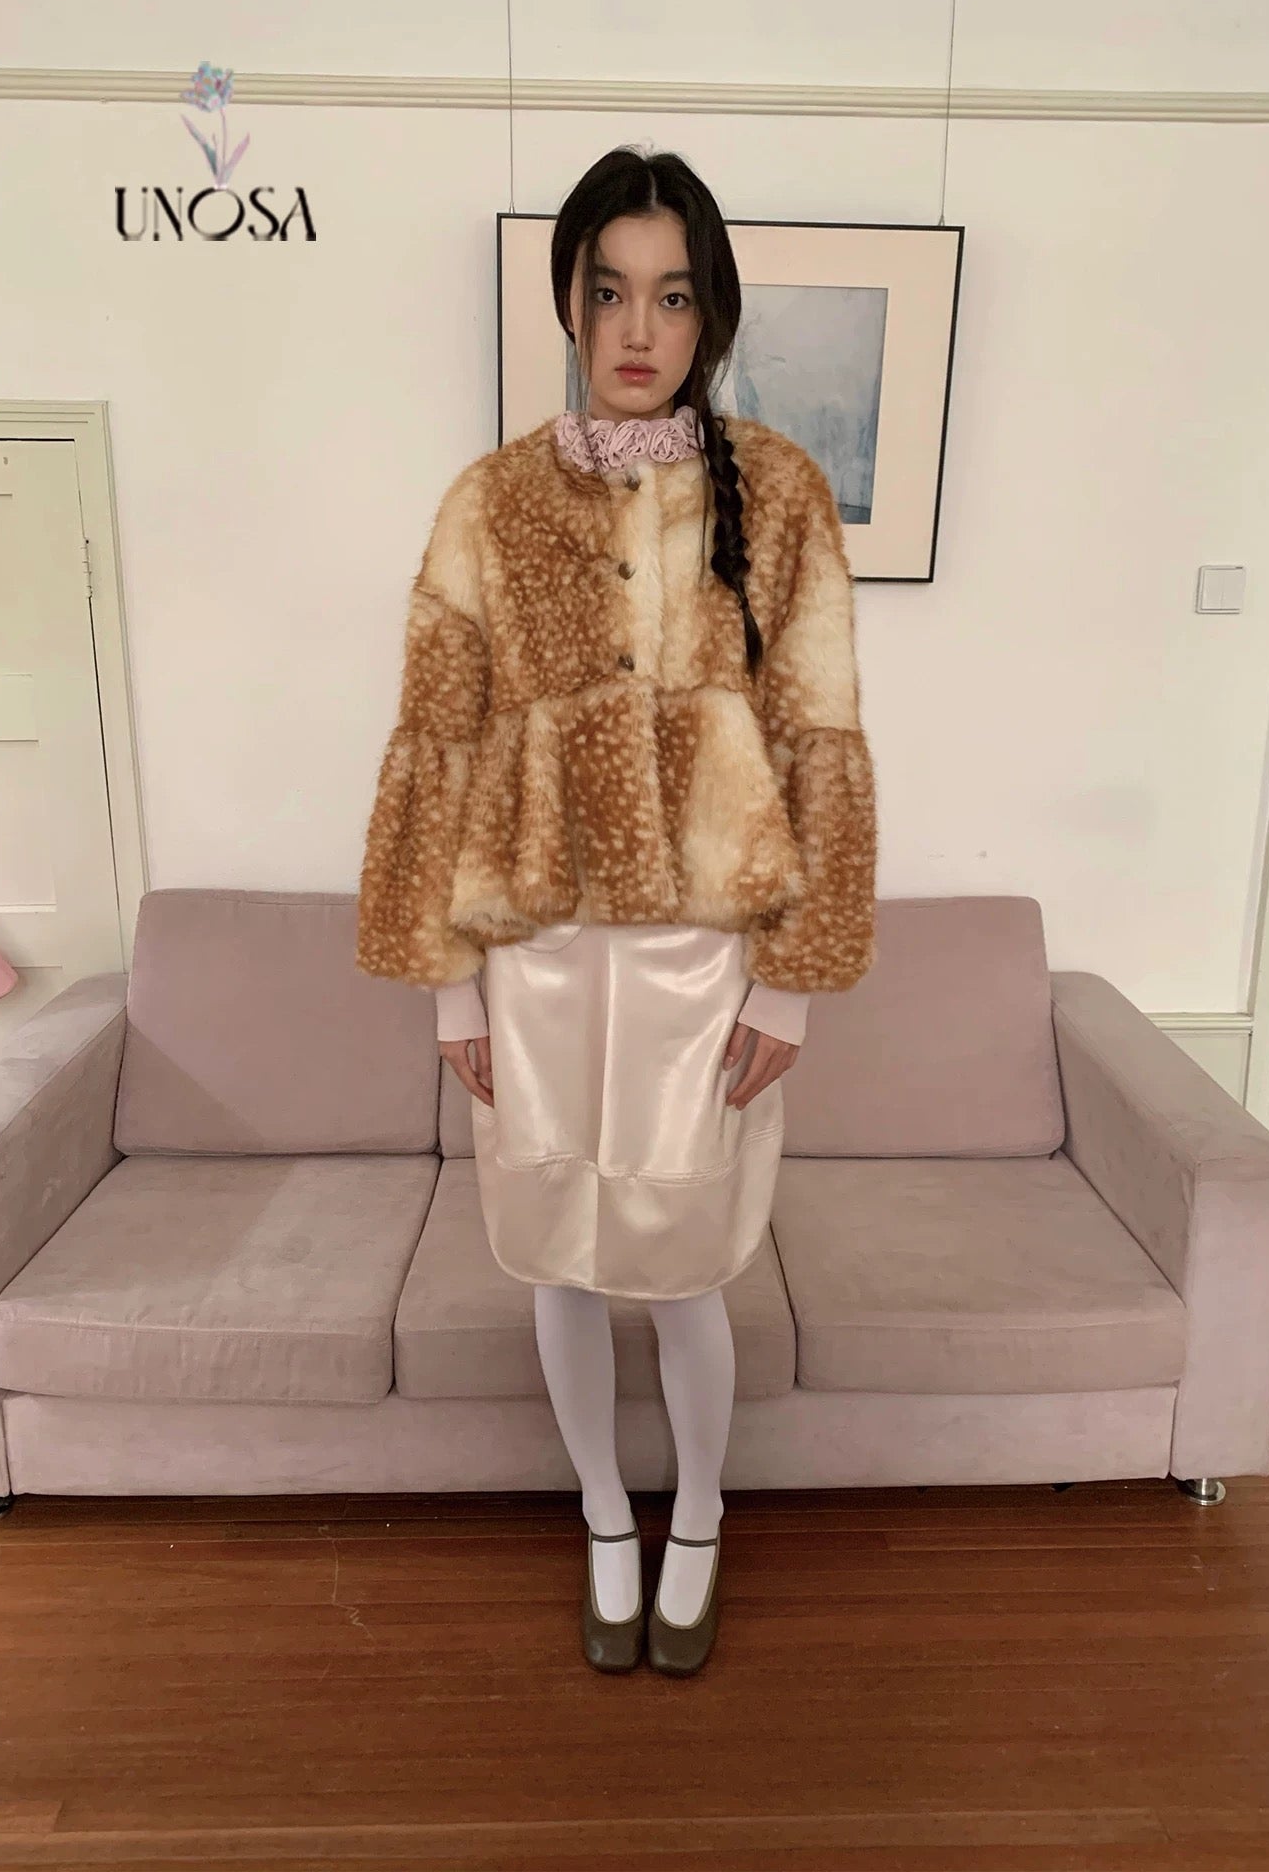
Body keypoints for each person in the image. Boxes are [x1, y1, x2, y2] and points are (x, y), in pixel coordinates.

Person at [356, 146, 877, 1676]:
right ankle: (600, 1513)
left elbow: (820, 739)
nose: (638, 328)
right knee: (561, 1257)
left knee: (687, 1263)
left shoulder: (780, 492)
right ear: (569, 301)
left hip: (703, 969)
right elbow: (438, 743)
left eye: (673, 295)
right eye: (609, 291)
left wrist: (791, 983)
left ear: (710, 314)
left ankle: (697, 1516)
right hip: (532, 964)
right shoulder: (493, 500)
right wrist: (449, 986)